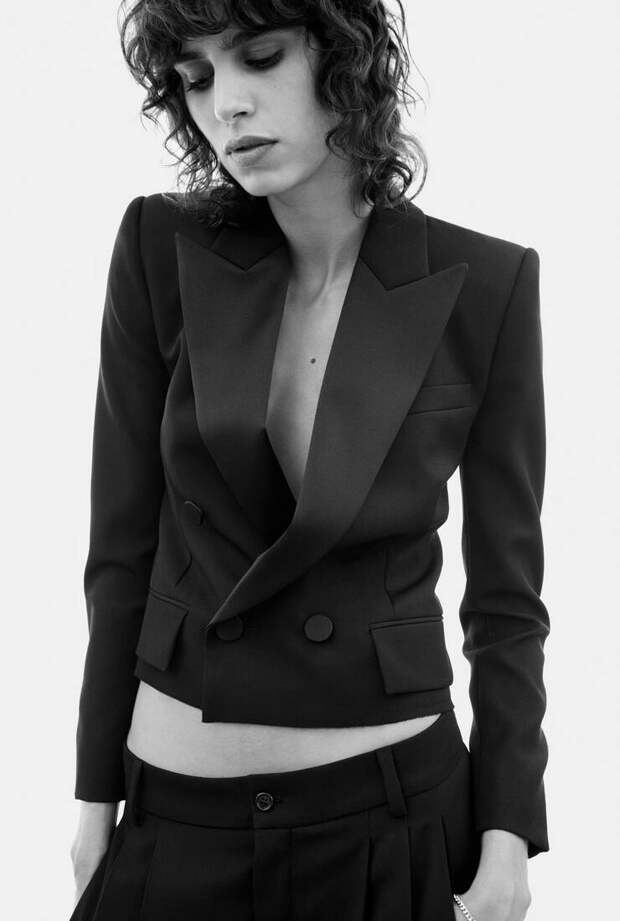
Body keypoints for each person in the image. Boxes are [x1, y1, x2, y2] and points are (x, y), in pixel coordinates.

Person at [69, 2, 550, 919]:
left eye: (259, 57)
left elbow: (506, 601)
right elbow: (119, 554)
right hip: (174, 826)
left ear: (346, 59)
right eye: (196, 79)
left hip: (391, 826)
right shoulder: (160, 249)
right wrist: (94, 802)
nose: (226, 105)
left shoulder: (487, 284)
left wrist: (509, 836)